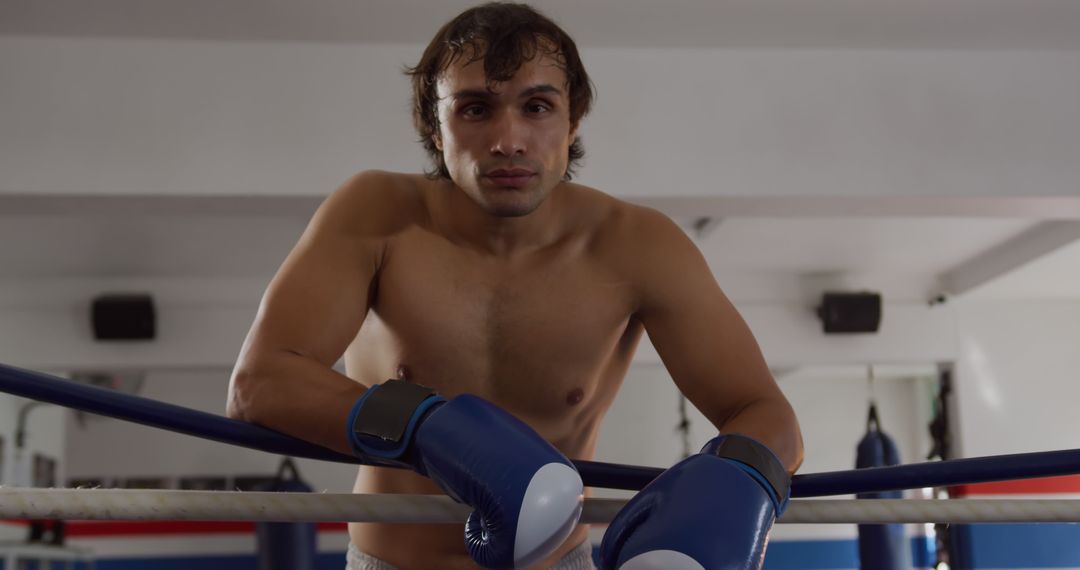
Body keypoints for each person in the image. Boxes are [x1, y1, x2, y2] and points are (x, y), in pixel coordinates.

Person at [227, 3, 804, 569]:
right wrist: (424, 427)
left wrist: (738, 479)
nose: (508, 139)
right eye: (475, 109)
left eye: (537, 106)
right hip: (393, 561)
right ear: (433, 124)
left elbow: (765, 413)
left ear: (572, 118)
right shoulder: (375, 214)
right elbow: (258, 386)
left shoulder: (637, 245)